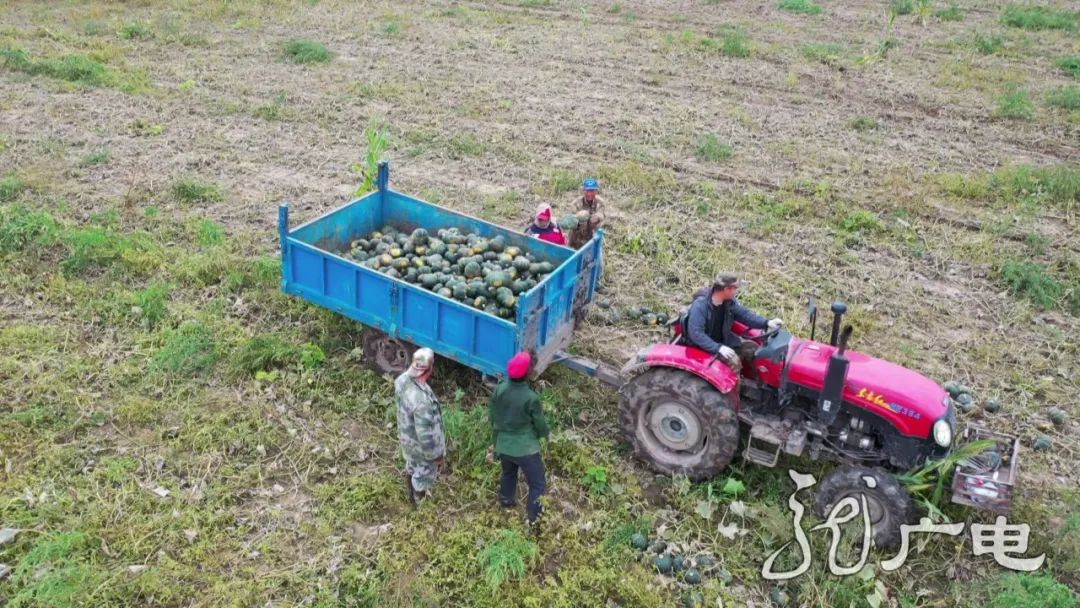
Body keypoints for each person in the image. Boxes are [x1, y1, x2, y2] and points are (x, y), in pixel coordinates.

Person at [488, 351, 549, 524]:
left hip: (504, 444)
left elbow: (492, 417)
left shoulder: (499, 389)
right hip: (525, 448)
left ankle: (506, 500)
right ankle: (534, 518)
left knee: (509, 472)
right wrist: (544, 435)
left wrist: (496, 440)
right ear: (528, 373)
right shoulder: (531, 398)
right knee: (537, 484)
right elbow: (540, 425)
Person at [684, 273, 784, 371]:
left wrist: (766, 322)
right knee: (734, 362)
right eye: (735, 288)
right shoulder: (700, 306)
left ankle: (757, 379)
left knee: (752, 349)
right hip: (704, 346)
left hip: (724, 339)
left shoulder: (729, 303)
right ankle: (735, 381)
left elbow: (745, 315)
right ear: (726, 289)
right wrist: (718, 348)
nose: (736, 291)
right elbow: (696, 334)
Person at [395, 348, 446, 505]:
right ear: (429, 369)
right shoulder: (422, 401)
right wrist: (436, 456)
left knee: (412, 467)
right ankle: (419, 504)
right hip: (421, 449)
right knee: (422, 477)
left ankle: (411, 493)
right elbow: (425, 436)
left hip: (407, 438)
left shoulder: (402, 380)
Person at [568, 177, 606, 249]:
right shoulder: (576, 203)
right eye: (587, 191)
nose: (589, 193)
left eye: (592, 191)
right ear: (583, 191)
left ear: (596, 191)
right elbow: (572, 220)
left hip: (593, 235)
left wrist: (595, 217)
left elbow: (601, 215)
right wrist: (580, 217)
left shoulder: (600, 202)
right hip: (577, 236)